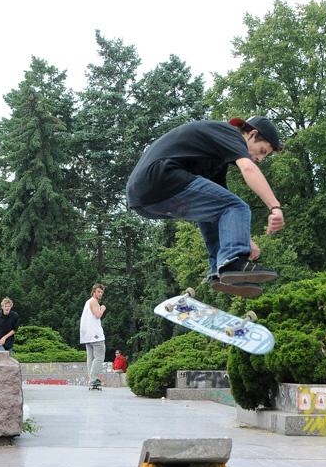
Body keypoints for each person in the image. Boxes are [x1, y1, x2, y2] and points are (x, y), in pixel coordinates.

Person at [126, 116, 285, 298]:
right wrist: (275, 207)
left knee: (216, 211)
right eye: (262, 151)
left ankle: (219, 270)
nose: (259, 159)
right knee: (238, 206)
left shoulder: (217, 159)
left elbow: (220, 203)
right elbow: (248, 169)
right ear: (251, 134)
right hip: (161, 177)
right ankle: (232, 262)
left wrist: (244, 237)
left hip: (143, 198)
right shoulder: (230, 133)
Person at [80, 284, 106, 387]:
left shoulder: (88, 302)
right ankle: (94, 379)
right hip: (95, 334)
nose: (100, 294)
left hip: (87, 335)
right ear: (93, 292)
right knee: (99, 357)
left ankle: (91, 379)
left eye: (102, 292)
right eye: (98, 292)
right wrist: (102, 308)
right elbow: (98, 315)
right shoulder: (94, 302)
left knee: (90, 357)